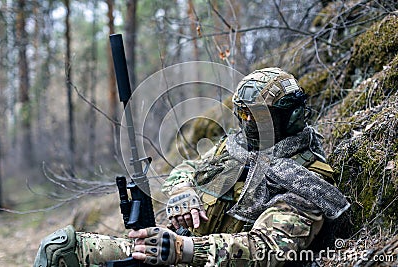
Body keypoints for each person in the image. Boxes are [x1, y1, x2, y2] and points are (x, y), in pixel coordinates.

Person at [34, 67, 350, 267]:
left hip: (192, 257)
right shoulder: (238, 148)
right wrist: (183, 191)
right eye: (242, 115)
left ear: (285, 116)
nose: (246, 124)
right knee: (62, 248)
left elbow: (265, 250)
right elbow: (185, 168)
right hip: (173, 250)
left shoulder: (305, 181)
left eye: (255, 116)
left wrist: (180, 249)